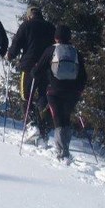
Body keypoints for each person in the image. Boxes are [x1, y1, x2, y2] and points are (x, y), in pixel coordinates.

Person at [32, 24, 87, 160]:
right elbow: (83, 75)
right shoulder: (76, 52)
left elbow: (37, 71)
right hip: (73, 92)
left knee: (57, 119)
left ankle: (62, 151)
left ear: (56, 37)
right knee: (65, 117)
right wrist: (79, 90)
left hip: (54, 90)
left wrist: (34, 71)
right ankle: (64, 148)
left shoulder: (51, 50)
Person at [6, 6, 56, 142]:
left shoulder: (26, 25)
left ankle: (32, 125)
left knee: (25, 97)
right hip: (46, 68)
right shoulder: (50, 27)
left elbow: (16, 43)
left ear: (29, 16)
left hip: (29, 67)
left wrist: (10, 55)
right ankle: (44, 129)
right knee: (43, 97)